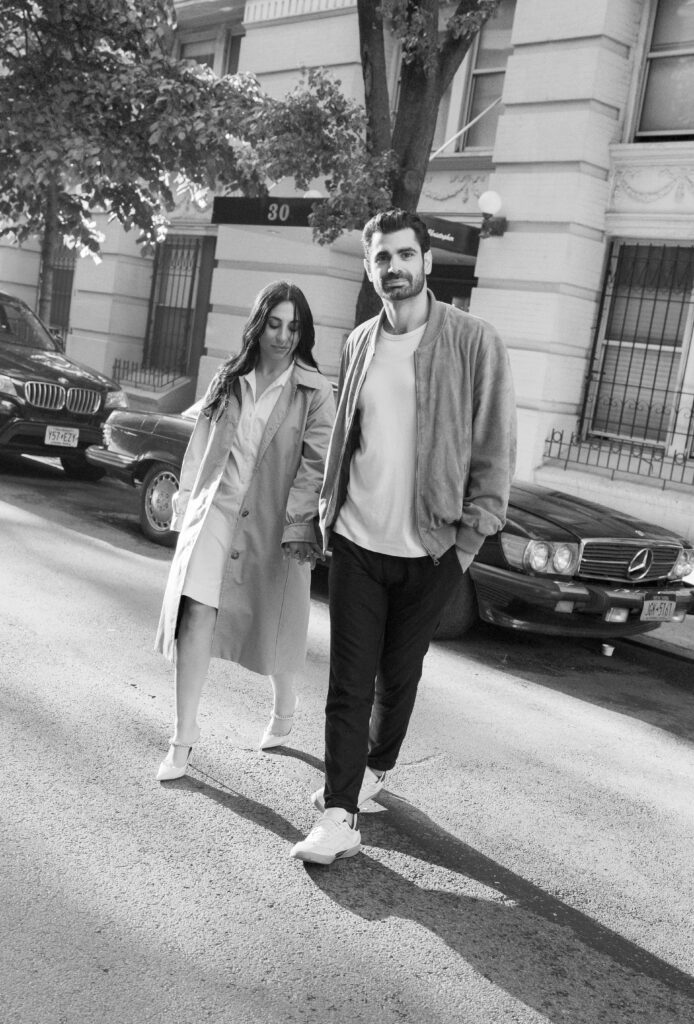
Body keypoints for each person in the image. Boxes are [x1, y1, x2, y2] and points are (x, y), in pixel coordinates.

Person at [290, 209, 516, 864]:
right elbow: (345, 437)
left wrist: (469, 543)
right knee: (349, 679)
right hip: (358, 541)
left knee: (399, 675)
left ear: (426, 261)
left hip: (431, 549)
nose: (393, 268)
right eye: (380, 258)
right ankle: (340, 812)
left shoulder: (475, 342)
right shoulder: (360, 341)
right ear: (370, 266)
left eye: (403, 255)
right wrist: (322, 516)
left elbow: (495, 449)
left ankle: (376, 760)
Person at [155, 281, 335, 781]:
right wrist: (184, 501)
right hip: (214, 514)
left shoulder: (316, 393)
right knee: (194, 616)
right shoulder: (229, 378)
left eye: (293, 327)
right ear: (258, 325)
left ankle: (284, 709)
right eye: (274, 324)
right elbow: (201, 444)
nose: (282, 336)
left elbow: (315, 466)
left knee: (274, 626)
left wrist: (301, 527)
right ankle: (182, 740)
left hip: (275, 523)